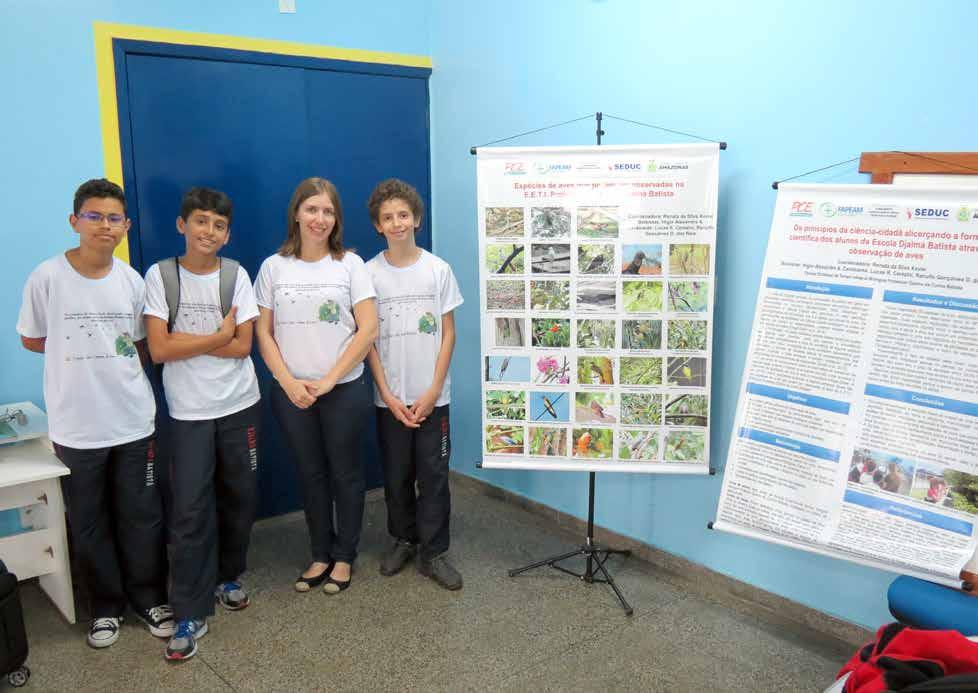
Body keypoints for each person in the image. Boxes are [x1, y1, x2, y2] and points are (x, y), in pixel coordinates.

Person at [16, 178, 174, 648]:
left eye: (113, 218)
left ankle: (148, 598)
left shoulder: (131, 280)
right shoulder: (47, 277)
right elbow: (32, 338)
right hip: (75, 426)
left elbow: (142, 346)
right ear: (74, 222)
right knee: (88, 521)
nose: (104, 226)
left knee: (141, 515)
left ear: (125, 226)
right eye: (93, 216)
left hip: (131, 420)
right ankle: (104, 608)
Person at [143, 187, 260, 661]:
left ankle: (228, 575)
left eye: (218, 225)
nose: (208, 231)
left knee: (240, 496)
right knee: (189, 510)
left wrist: (188, 340)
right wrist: (217, 334)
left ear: (227, 233)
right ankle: (189, 610)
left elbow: (243, 347)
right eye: (200, 221)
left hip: (239, 405)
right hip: (188, 411)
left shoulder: (236, 275)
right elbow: (158, 350)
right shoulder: (160, 276)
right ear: (182, 225)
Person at [254, 177, 377, 595]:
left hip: (343, 389)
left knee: (345, 473)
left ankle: (345, 556)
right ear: (296, 213)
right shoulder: (274, 267)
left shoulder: (350, 266)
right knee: (311, 474)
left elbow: (368, 328)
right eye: (312, 209)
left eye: (328, 211)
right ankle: (320, 553)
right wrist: (288, 382)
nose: (319, 218)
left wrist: (329, 379)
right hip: (292, 394)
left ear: (336, 218)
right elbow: (263, 332)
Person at [364, 179, 464, 590]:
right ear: (377, 225)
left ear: (416, 219)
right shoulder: (368, 273)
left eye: (403, 215)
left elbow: (449, 334)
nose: (396, 223)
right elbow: (366, 340)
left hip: (431, 398)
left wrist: (433, 390)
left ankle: (434, 552)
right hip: (389, 400)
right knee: (396, 475)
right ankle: (404, 539)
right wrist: (386, 393)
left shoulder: (437, 270)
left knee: (434, 476)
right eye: (387, 217)